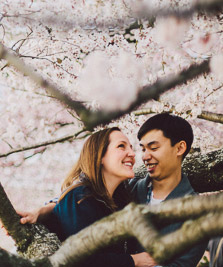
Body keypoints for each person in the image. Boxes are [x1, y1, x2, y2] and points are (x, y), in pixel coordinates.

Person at [21, 113, 206, 267]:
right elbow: (78, 201)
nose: (143, 156)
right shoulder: (129, 190)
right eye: (142, 148)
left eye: (154, 147)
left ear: (180, 148)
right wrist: (45, 209)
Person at [30, 127, 156, 267]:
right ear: (100, 155)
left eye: (131, 148)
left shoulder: (119, 200)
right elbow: (82, 259)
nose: (132, 154)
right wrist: (134, 260)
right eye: (121, 146)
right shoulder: (79, 197)